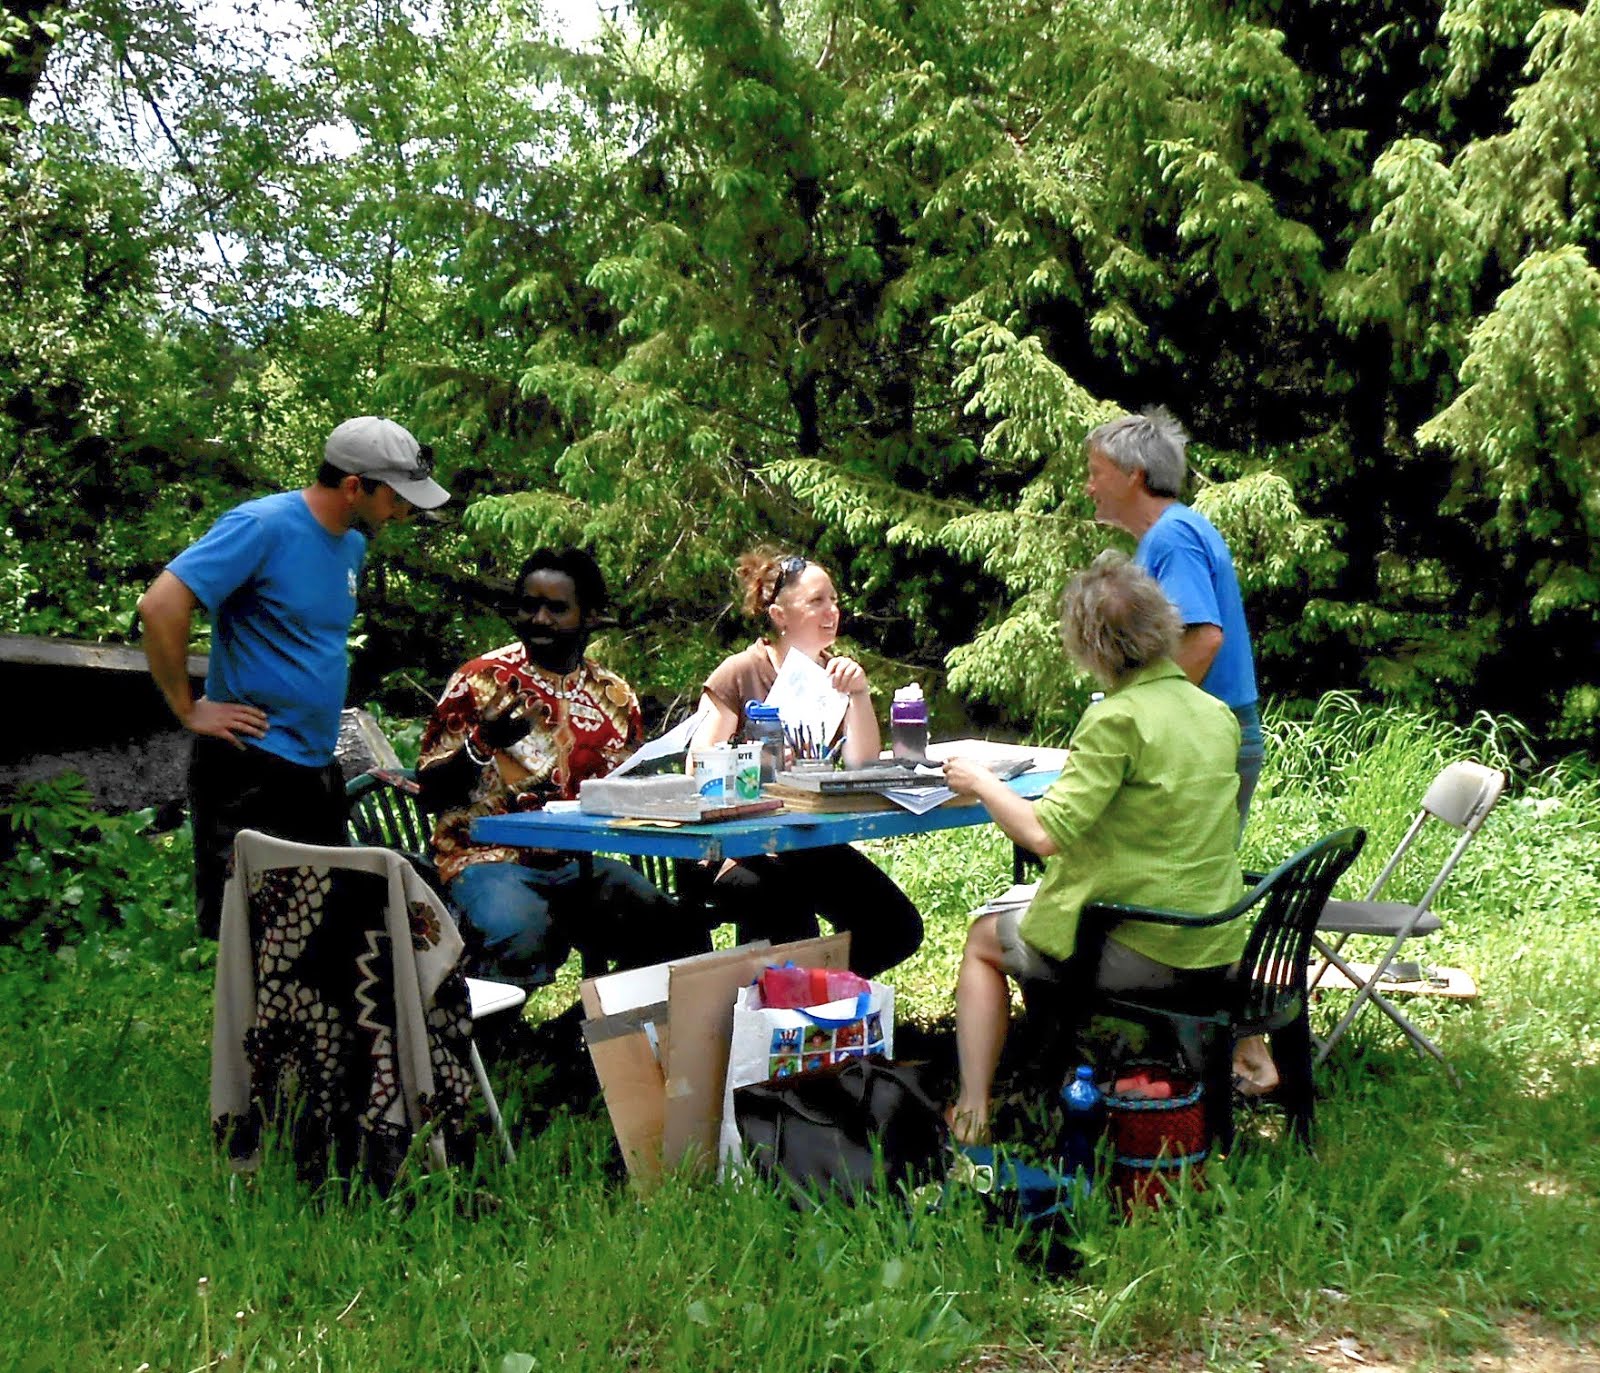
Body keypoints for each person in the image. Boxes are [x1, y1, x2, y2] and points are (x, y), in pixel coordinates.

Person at [942, 552, 1246, 1144]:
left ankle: (973, 1111)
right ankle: (1051, 1063)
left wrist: (982, 782)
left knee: (983, 938)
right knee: (1037, 911)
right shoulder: (1215, 715)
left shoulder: (1117, 720)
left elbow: (1042, 834)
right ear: (1162, 623)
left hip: (1151, 950)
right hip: (1218, 939)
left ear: (1089, 647)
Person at [139, 416, 451, 939]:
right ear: (354, 486)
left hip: (313, 767)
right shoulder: (261, 527)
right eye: (397, 497)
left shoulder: (351, 546)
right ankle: (252, 1025)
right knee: (254, 935)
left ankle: (308, 1023)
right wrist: (187, 707)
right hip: (250, 766)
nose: (404, 511)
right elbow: (161, 605)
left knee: (319, 929)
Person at [418, 548, 707, 987]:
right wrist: (482, 744)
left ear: (590, 616)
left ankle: (597, 1029)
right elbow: (431, 790)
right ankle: (493, 1045)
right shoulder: (481, 680)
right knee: (519, 928)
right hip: (482, 857)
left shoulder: (614, 695)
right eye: (529, 605)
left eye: (557, 608)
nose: (540, 619)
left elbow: (629, 790)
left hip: (579, 864)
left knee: (672, 928)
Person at [688, 547, 923, 978]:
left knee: (896, 927)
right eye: (816, 602)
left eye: (834, 600)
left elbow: (861, 763)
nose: (831, 611)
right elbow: (696, 765)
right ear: (779, 615)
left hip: (808, 842)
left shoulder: (835, 675)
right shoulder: (741, 671)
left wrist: (858, 694)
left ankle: (817, 991)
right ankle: (783, 1008)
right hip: (739, 849)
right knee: (783, 910)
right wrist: (756, 763)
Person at [1084, 407, 1264, 829]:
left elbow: (1203, 639)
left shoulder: (1173, 537)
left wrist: (1140, 717)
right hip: (1207, 734)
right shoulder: (1167, 534)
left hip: (1208, 739)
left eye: (1097, 472)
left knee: (1182, 886)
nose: (1089, 486)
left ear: (1135, 474)